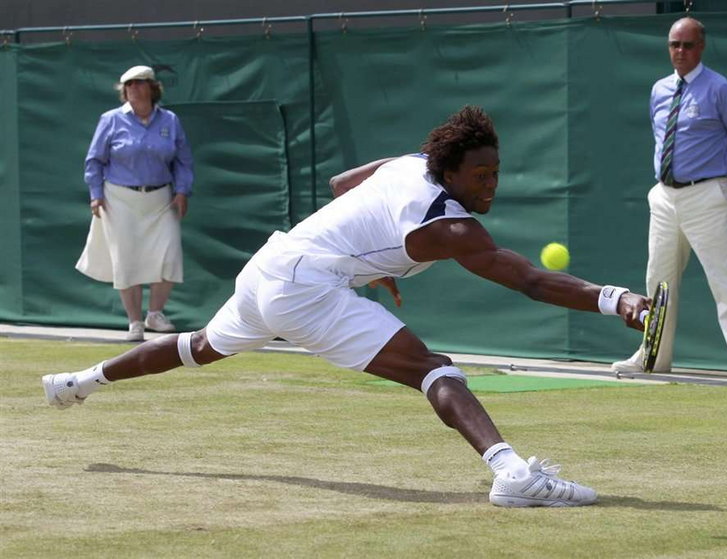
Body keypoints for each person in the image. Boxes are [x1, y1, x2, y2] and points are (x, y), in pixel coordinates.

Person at [45, 106, 649, 508]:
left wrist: (374, 260)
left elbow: (341, 187)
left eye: (496, 173)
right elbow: (531, 282)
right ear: (450, 170)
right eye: (480, 174)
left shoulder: (410, 162)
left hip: (271, 267)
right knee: (431, 367)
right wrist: (617, 300)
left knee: (199, 346)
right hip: (307, 283)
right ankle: (512, 474)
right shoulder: (452, 225)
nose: (490, 184)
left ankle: (78, 382)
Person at [611, 18, 727, 383]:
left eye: (688, 45)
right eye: (674, 45)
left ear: (702, 47)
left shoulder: (720, 89)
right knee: (658, 281)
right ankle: (652, 357)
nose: (680, 52)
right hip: (665, 196)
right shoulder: (659, 90)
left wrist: (719, 180)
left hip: (708, 194)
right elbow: (658, 135)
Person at [76, 65, 194, 342]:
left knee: (169, 254)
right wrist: (96, 193)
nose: (133, 89)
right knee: (126, 258)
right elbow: (94, 161)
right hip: (119, 198)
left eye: (139, 83)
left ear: (152, 88)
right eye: (128, 85)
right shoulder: (110, 120)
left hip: (161, 197)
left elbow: (183, 160)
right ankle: (135, 322)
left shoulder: (170, 121)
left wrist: (182, 191)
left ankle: (155, 313)